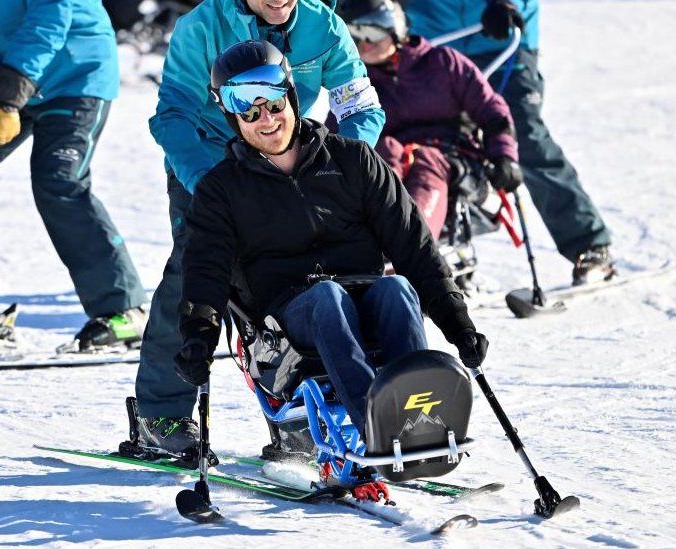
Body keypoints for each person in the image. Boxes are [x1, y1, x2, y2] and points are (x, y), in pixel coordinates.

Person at [173, 41, 488, 485]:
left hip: (363, 296)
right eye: (248, 109)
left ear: (291, 96)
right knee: (327, 298)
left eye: (274, 101)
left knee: (397, 289)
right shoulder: (222, 190)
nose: (266, 119)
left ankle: (422, 422)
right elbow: (205, 269)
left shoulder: (353, 161)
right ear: (231, 115)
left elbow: (415, 247)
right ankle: (375, 430)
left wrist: (458, 323)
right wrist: (198, 336)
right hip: (284, 323)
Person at [136, 0, 387, 454]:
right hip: (209, 164)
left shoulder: (322, 25)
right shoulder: (202, 28)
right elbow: (174, 117)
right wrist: (214, 186)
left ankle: (299, 416)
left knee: (300, 282)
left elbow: (362, 109)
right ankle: (162, 414)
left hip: (287, 161)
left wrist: (336, 170)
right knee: (197, 275)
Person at [0, 0, 149, 347]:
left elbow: (50, 17)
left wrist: (10, 96)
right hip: (14, 76)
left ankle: (125, 309)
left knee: (59, 179)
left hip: (76, 74)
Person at [394, 0, 615, 285]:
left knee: (520, 133)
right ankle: (445, 247)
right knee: (427, 144)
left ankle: (588, 244)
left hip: (500, 37)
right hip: (436, 41)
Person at [333, 0, 520, 240]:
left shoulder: (442, 62)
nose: (363, 45)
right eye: (354, 37)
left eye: (370, 33)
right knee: (383, 151)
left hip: (453, 156)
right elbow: (339, 138)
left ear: (394, 28)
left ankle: (412, 242)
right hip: (397, 157)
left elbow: (492, 110)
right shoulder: (359, 85)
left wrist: (505, 156)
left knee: (426, 159)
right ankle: (367, 240)